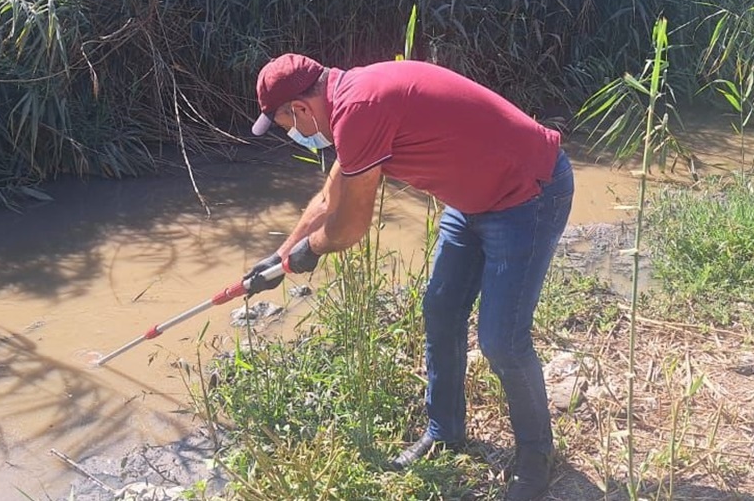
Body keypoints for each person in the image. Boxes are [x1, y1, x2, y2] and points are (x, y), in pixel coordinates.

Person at [242, 53, 573, 501]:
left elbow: (350, 226)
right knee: (440, 309)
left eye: (286, 125)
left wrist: (309, 252)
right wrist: (279, 258)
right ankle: (445, 432)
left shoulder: (359, 109)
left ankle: (536, 456)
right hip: (472, 202)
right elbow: (329, 198)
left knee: (502, 340)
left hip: (528, 192)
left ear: (300, 108)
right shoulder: (351, 102)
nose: (294, 135)